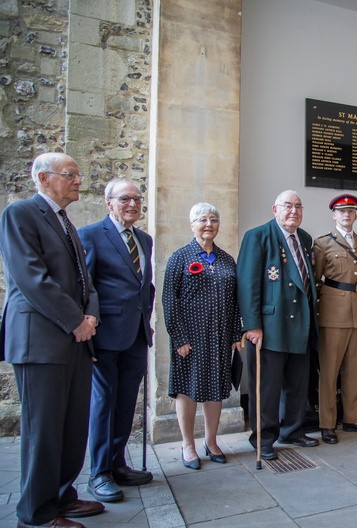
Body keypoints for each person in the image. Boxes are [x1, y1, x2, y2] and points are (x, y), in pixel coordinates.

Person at [0, 152, 104, 528]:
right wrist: (76, 320)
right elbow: (31, 279)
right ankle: (37, 513)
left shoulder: (65, 222)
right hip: (41, 341)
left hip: (76, 339)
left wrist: (90, 315)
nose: (78, 180)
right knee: (43, 429)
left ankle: (62, 496)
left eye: (77, 173)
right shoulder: (20, 215)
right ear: (44, 179)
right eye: (70, 174)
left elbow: (84, 280)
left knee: (72, 425)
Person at [78, 179, 154, 502]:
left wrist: (146, 319)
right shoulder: (91, 235)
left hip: (136, 334)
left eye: (137, 199)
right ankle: (99, 472)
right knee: (103, 403)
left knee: (126, 403)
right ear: (109, 203)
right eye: (125, 199)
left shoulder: (145, 240)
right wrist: (88, 331)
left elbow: (144, 285)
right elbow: (86, 286)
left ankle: (118, 462)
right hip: (105, 335)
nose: (133, 205)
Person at [237, 190, 320, 459]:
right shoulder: (258, 236)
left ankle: (293, 430)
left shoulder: (304, 238)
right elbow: (247, 284)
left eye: (298, 206)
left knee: (297, 384)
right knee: (267, 387)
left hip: (300, 323)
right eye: (287, 206)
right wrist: (251, 325)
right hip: (269, 326)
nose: (293, 211)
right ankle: (264, 437)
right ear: (275, 209)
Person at [162, 203, 243, 468]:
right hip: (190, 338)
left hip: (219, 336)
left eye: (214, 220)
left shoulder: (226, 259)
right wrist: (179, 337)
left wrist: (234, 334)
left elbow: (235, 301)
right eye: (202, 219)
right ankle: (188, 444)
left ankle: (211, 441)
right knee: (187, 389)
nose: (209, 224)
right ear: (192, 224)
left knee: (215, 389)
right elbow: (169, 300)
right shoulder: (180, 257)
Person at [312, 194, 357, 444]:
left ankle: (353, 418)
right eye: (341, 212)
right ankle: (327, 423)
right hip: (332, 314)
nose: (346, 215)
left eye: (350, 211)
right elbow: (317, 279)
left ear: (356, 215)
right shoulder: (322, 244)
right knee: (329, 372)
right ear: (334, 215)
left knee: (355, 370)